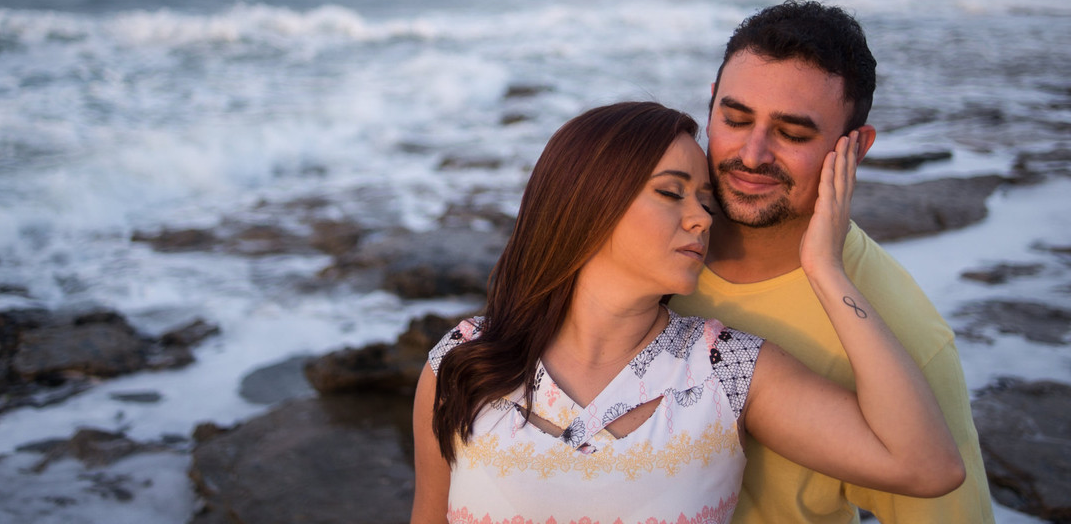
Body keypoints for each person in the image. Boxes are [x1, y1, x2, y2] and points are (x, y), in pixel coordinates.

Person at [411, 101, 964, 524]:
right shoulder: (462, 361)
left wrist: (825, 265)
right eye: (672, 193)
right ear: (588, 201)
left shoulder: (725, 368)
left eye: (704, 200)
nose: (702, 219)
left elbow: (928, 467)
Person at [670, 0, 995, 523]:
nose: (752, 155)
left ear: (856, 147)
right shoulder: (636, 245)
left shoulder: (901, 335)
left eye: (792, 134)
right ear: (710, 106)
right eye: (735, 119)